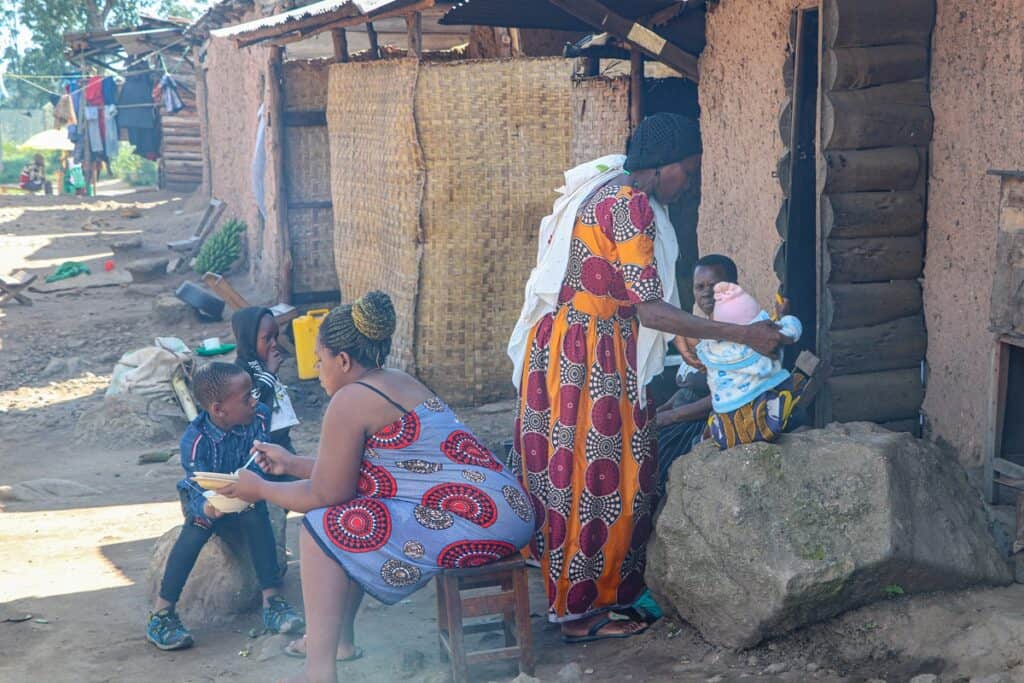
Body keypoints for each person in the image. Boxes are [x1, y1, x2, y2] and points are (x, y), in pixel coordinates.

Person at [507, 113, 791, 643]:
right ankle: (585, 612)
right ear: (662, 168)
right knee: (605, 473)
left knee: (564, 468)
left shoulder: (604, 189)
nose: (691, 183)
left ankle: (569, 593)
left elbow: (638, 299)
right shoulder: (632, 206)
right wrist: (745, 336)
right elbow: (651, 311)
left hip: (562, 343)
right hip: (592, 353)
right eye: (689, 171)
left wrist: (691, 335)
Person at [220, 292, 534, 683]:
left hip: (479, 521)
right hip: (505, 508)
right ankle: (340, 643)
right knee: (355, 513)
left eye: (320, 361)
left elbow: (326, 495)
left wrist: (260, 488)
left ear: (345, 361)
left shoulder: (351, 400)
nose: (318, 371)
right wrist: (290, 463)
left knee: (322, 527)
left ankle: (318, 672)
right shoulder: (396, 380)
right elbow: (362, 475)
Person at [146, 362, 305, 651]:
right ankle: (162, 613)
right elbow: (194, 482)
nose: (254, 401)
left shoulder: (258, 418)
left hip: (244, 496)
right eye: (246, 399)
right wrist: (208, 507)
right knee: (194, 532)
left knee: (259, 519)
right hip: (207, 502)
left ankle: (272, 601)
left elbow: (262, 454)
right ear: (218, 410)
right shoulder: (195, 440)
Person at [655, 254, 739, 490]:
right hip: (677, 420)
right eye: (699, 287)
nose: (706, 292)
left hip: (696, 426)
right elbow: (689, 385)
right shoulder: (701, 333)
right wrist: (662, 410)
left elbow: (726, 394)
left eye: (713, 286)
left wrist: (671, 416)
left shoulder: (739, 334)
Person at [698, 283, 808, 449]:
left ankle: (720, 431)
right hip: (763, 417)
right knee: (794, 383)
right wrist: (784, 315)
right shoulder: (761, 340)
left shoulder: (711, 348)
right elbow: (792, 331)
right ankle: (777, 411)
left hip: (727, 423)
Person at [232, 307, 298, 452]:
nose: (274, 343)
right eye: (267, 338)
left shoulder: (263, 362)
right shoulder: (242, 370)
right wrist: (269, 373)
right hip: (259, 444)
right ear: (248, 339)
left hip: (282, 440)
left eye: (275, 336)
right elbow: (253, 401)